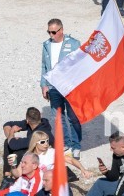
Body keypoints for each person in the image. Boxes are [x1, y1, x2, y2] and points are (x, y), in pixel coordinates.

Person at [41, 19, 82, 158]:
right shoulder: (46, 45)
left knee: (73, 117)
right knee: (58, 117)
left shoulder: (74, 44)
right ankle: (66, 143)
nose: (51, 35)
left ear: (61, 30)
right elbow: (44, 66)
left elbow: (80, 65)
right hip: (53, 86)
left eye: (53, 32)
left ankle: (76, 145)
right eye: (49, 32)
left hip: (69, 87)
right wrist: (43, 84)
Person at [8, 130, 91, 179]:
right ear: (35, 143)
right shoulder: (28, 155)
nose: (46, 144)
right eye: (42, 142)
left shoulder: (52, 153)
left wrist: (83, 169)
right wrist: (13, 166)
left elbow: (71, 160)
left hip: (47, 185)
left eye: (47, 141)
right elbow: (18, 174)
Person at [3, 108, 53, 177]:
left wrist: (12, 132)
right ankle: (7, 173)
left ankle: (15, 174)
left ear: (27, 120)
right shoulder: (40, 123)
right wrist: (12, 137)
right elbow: (7, 124)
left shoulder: (38, 134)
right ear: (40, 116)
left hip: (39, 153)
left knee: (18, 153)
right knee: (8, 141)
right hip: (33, 148)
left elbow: (13, 145)